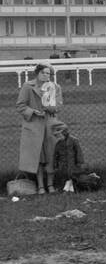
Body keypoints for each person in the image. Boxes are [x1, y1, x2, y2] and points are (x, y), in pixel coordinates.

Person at [16, 63, 55, 192]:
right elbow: (20, 105)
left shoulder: (54, 87)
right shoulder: (27, 87)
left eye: (48, 73)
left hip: (50, 125)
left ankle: (50, 185)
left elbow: (58, 105)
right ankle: (40, 186)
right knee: (37, 156)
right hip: (33, 126)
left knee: (50, 155)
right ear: (37, 73)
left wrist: (49, 108)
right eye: (44, 73)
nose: (46, 75)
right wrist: (33, 111)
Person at [50, 121, 101, 192]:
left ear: (64, 132)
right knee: (65, 176)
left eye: (57, 135)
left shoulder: (74, 140)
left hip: (73, 164)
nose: (56, 138)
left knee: (75, 176)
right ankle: (68, 187)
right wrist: (55, 165)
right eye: (55, 136)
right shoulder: (58, 144)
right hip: (63, 165)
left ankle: (89, 179)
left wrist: (80, 162)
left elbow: (78, 152)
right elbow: (56, 155)